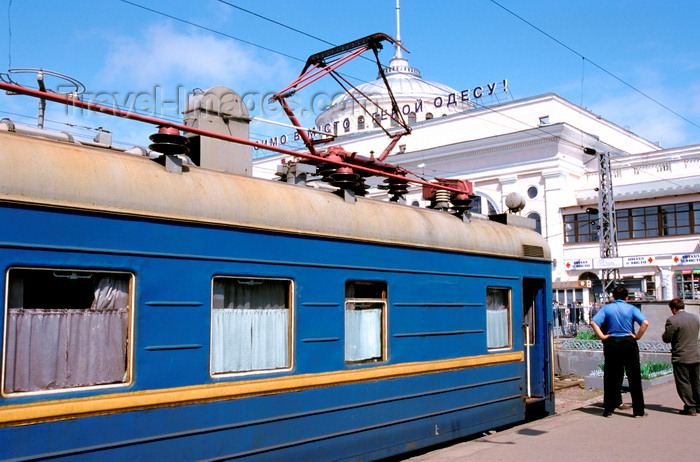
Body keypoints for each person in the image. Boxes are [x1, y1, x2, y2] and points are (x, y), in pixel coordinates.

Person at [591, 285, 649, 418]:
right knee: (634, 376)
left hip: (612, 342)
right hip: (628, 342)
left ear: (613, 297)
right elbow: (645, 323)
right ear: (626, 297)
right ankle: (638, 411)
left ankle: (608, 410)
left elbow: (594, 323)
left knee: (611, 375)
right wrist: (637, 336)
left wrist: (602, 336)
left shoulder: (607, 308)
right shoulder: (631, 308)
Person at [662, 298, 700, 416]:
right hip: (696, 354)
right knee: (696, 381)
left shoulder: (672, 320)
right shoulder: (695, 318)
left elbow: (667, 338)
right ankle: (699, 405)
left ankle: (690, 407)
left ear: (673, 309)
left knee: (683, 382)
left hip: (681, 356)